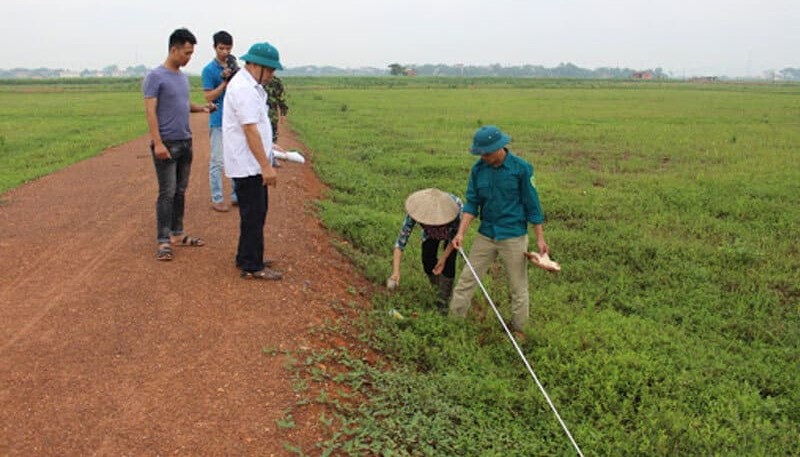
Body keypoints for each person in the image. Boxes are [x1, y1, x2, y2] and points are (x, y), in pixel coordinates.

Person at [450, 125, 549, 337]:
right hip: (486, 234)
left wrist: (540, 238)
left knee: (518, 286)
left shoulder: (521, 169)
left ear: (499, 148)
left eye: (486, 153)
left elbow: (533, 205)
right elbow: (471, 204)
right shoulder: (478, 170)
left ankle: (519, 330)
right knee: (467, 279)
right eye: (480, 153)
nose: (483, 157)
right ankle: (454, 323)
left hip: (513, 235)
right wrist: (461, 233)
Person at [143, 28, 215, 261]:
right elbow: (150, 111)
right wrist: (158, 143)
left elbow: (183, 105)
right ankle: (163, 240)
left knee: (181, 191)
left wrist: (202, 108)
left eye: (191, 53)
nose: (188, 57)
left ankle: (177, 233)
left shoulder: (182, 77)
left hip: (185, 141)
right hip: (167, 144)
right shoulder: (155, 76)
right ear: (173, 49)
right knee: (167, 192)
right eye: (186, 52)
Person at [222, 42, 284, 280]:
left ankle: (246, 255)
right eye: (269, 70)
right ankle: (252, 265)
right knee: (255, 214)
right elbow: (249, 129)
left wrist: (271, 146)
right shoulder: (244, 89)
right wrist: (266, 166)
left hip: (250, 161)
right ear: (255, 65)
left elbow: (257, 125)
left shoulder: (251, 86)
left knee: (254, 213)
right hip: (249, 165)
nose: (271, 75)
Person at [388, 188, 462, 313]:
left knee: (449, 263)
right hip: (430, 235)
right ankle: (437, 288)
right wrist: (395, 272)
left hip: (451, 236)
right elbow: (400, 242)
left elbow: (455, 238)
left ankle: (443, 300)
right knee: (427, 260)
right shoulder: (416, 212)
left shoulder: (455, 210)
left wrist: (443, 259)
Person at [202, 30, 239, 212]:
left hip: (234, 120)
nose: (225, 52)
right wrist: (224, 82)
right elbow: (208, 96)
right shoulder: (209, 70)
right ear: (214, 47)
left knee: (234, 158)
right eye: (221, 48)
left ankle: (235, 195)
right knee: (217, 160)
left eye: (228, 48)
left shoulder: (234, 65)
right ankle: (217, 198)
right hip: (217, 120)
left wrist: (234, 76)